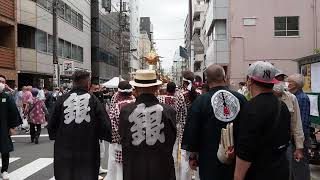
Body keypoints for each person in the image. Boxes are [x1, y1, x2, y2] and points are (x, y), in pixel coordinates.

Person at [182, 65, 247, 180]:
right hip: (237, 157)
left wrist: (192, 155)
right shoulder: (240, 98)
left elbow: (193, 129)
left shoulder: (201, 101)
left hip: (209, 157)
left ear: (207, 80)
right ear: (224, 77)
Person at [48, 70, 112, 180]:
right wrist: (102, 135)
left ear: (73, 83)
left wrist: (57, 136)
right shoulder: (94, 100)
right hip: (88, 149)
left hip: (64, 148)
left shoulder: (61, 99)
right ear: (88, 84)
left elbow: (51, 124)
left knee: (65, 175)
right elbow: (105, 125)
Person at [234, 61, 291, 180]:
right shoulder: (282, 105)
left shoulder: (250, 108)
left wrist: (238, 176)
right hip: (281, 169)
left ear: (250, 81)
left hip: (259, 172)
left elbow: (246, 150)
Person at [119, 70, 176, 180]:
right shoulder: (169, 111)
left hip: (135, 168)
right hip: (162, 167)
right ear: (156, 88)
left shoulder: (126, 111)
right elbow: (171, 139)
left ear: (135, 89)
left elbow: (124, 138)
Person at [105, 81, 136, 180]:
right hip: (137, 143)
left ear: (119, 93)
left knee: (120, 169)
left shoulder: (116, 107)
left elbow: (112, 127)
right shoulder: (137, 103)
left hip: (121, 144)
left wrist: (118, 140)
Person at [176, 70, 201, 180]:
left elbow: (177, 115)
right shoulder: (200, 94)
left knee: (185, 160)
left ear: (184, 82)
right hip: (200, 131)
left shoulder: (181, 96)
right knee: (199, 159)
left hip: (185, 132)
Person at [287, 74, 311, 180]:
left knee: (300, 164)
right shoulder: (293, 96)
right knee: (294, 165)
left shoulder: (302, 98)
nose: (288, 83)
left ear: (295, 84)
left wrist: (299, 142)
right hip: (295, 137)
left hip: (301, 137)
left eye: (290, 82)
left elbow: (303, 121)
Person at [0, 76, 21, 180]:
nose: (1, 83)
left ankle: (4, 170)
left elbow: (13, 112)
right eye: (0, 81)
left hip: (3, 128)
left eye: (3, 82)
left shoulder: (7, 97)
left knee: (5, 150)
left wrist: (12, 127)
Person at [89, 81, 108, 178]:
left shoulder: (99, 97)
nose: (97, 91)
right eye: (95, 89)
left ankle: (99, 167)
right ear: (90, 88)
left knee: (101, 150)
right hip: (90, 130)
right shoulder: (88, 99)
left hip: (98, 128)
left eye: (98, 89)